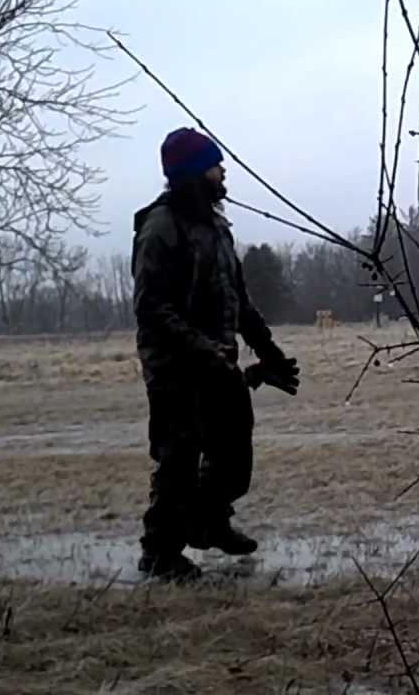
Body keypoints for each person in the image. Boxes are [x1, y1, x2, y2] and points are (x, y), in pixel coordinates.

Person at [130, 126, 300, 583]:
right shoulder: (160, 227)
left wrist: (271, 352)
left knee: (233, 451)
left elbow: (239, 301)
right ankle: (160, 553)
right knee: (179, 458)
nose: (223, 171)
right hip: (174, 366)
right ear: (192, 173)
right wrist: (203, 349)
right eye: (215, 164)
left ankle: (209, 521)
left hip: (217, 361)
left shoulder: (217, 228)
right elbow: (152, 307)